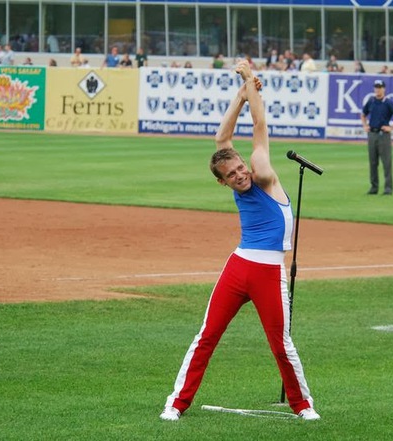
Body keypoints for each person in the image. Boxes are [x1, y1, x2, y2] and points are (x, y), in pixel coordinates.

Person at [159, 59, 320, 422]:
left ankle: (303, 405)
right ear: (223, 181)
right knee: (207, 336)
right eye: (231, 175)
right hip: (238, 266)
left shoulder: (262, 172)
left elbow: (258, 127)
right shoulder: (231, 173)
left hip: (268, 271)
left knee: (281, 344)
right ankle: (176, 403)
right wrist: (243, 90)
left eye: (239, 168)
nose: (239, 174)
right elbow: (221, 141)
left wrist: (248, 87)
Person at [360, 79, 393, 196]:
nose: (377, 89)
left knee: (386, 163)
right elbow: (363, 114)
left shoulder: (388, 102)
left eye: (380, 87)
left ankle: (388, 188)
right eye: (376, 87)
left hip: (383, 135)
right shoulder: (371, 101)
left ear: (384, 89)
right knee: (373, 162)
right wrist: (365, 125)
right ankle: (374, 187)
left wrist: (392, 127)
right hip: (372, 133)